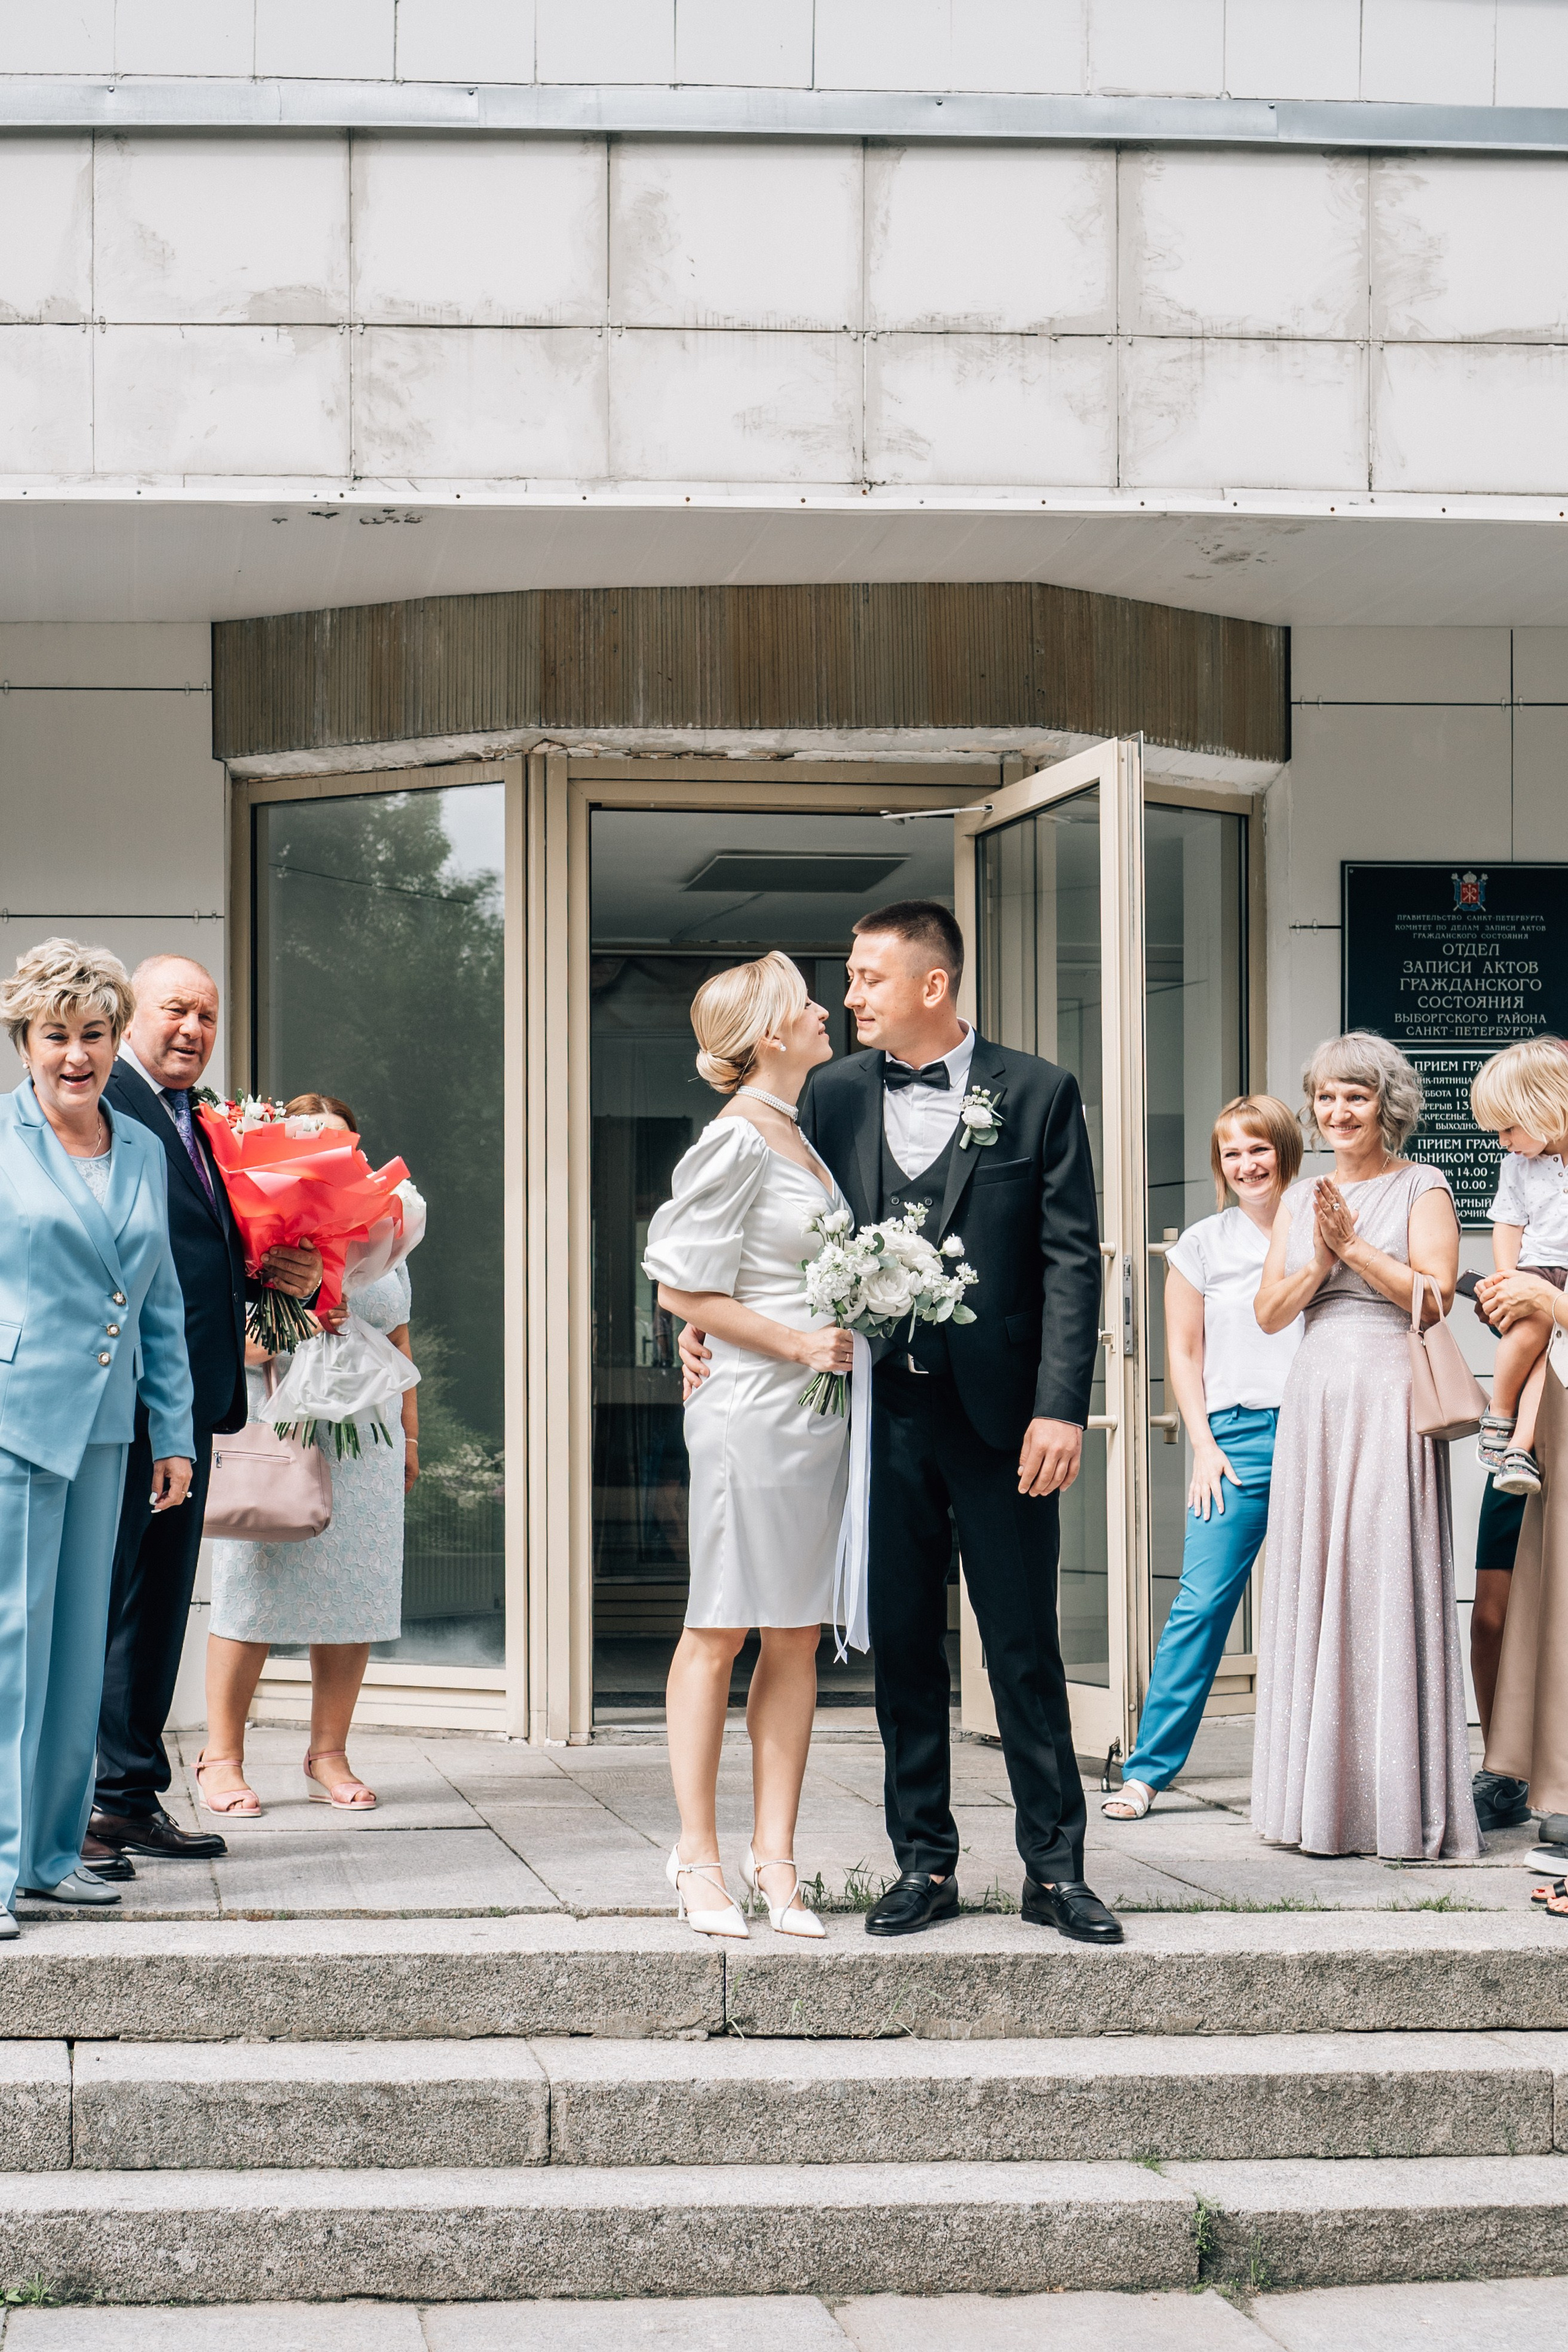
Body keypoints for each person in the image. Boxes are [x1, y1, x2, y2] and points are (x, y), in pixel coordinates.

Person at [685, 900, 1111, 1945]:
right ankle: (925, 1863)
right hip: (871, 1419)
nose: (849, 995)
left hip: (1006, 1423)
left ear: (934, 985)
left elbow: (1070, 1265)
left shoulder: (1039, 1092)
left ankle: (1056, 1871)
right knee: (906, 1648)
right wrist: (689, 1328)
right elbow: (741, 1239)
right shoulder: (824, 1096)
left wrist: (1063, 1407)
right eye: (847, 979)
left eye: (869, 977)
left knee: (1022, 1645)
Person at [88, 957, 321, 1870]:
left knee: (154, 1613)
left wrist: (277, 1276)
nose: (193, 1028)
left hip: (192, 1405)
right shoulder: (107, 1106)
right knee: (106, 1606)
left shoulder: (202, 1121)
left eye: (209, 1015)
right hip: (133, 1398)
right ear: (131, 1015)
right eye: (176, 1010)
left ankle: (128, 1797)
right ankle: (78, 1806)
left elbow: (204, 1250)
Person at [644, 956, 853, 1940]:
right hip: (751, 1411)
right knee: (721, 1627)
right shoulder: (734, 1142)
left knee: (796, 1631)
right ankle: (697, 1855)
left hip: (815, 1417)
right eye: (808, 1003)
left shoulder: (800, 1137)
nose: (825, 1011)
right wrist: (800, 1340)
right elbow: (682, 1286)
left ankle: (779, 1860)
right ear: (770, 1035)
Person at [0, 939, 195, 1927]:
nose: (74, 1055)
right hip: (12, 1421)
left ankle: (46, 1853)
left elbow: (156, 1303)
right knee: (8, 1650)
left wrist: (176, 1431)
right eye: (55, 1036)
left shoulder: (145, 1147)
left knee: (78, 1655)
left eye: (92, 1034)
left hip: (109, 1433)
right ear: (22, 1041)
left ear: (118, 1040)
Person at [1252, 1031, 1478, 1861]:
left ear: (1388, 1104)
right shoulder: (1302, 1192)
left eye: (1356, 1096)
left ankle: (1392, 1806)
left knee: (1384, 1574)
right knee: (1318, 1577)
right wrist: (1320, 1259)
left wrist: (1351, 1248)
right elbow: (1271, 1312)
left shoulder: (1423, 1185)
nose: (1338, 1111)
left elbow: (1436, 1295)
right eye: (1326, 1096)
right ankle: (1316, 1805)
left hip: (1390, 1388)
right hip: (1318, 1393)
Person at [200, 1095, 421, 1815]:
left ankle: (328, 1753)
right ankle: (221, 1756)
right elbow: (227, 1342)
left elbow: (398, 1340)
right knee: (251, 1593)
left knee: (355, 1597)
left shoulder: (388, 1227)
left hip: (369, 1435)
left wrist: (411, 1438)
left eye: (344, 1146)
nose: (332, 1158)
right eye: (316, 1144)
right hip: (281, 1430)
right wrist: (289, 1309)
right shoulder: (253, 1229)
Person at [1102, 1096, 1303, 1822]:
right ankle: (1146, 1772)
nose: (1247, 1165)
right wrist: (1203, 1448)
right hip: (1237, 1440)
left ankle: (1335, 1775)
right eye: (1231, 1154)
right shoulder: (1200, 1245)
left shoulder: (1325, 1224)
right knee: (1200, 1604)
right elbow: (1182, 1354)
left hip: (1325, 1433)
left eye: (1259, 1149)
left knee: (1330, 1606)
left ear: (1285, 1149)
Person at [1469, 1038, 1568, 1498]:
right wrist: (1508, 1277)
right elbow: (1508, 1224)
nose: (1503, 1141)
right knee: (1529, 1336)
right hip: (1537, 1270)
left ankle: (1519, 1447)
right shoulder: (1517, 1166)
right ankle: (1502, 1413)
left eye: (1508, 1128)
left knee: (1547, 1364)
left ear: (1544, 1109)